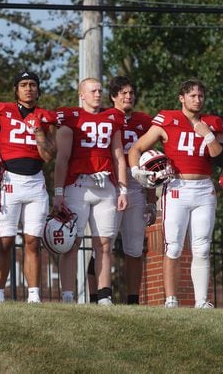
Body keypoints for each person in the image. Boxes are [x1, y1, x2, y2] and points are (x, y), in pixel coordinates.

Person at [128, 79, 223, 309]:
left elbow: (220, 158)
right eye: (192, 95)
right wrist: (135, 171)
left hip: (204, 188)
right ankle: (171, 299)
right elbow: (136, 148)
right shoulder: (167, 119)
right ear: (182, 98)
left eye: (201, 96)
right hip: (177, 188)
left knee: (202, 246)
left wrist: (208, 135)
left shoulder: (212, 122)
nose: (197, 100)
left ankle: (202, 300)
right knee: (173, 246)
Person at [0, 71, 56, 303]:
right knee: (5, 241)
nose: (28, 89)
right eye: (23, 85)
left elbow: (48, 156)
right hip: (9, 182)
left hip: (36, 182)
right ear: (16, 89)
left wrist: (37, 131)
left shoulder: (46, 118)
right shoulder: (3, 112)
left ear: (39, 89)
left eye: (33, 84)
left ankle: (33, 295)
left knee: (32, 242)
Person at [53, 77, 128, 305]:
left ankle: (104, 295)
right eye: (93, 90)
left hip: (105, 186)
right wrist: (58, 192)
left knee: (104, 244)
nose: (98, 94)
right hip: (78, 186)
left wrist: (123, 188)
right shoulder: (71, 118)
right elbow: (62, 159)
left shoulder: (113, 117)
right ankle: (68, 295)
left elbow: (118, 156)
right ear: (81, 95)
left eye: (100, 90)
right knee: (71, 243)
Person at [107, 76, 155, 305]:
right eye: (123, 93)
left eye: (131, 93)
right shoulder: (104, 117)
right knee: (102, 244)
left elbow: (152, 161)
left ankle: (133, 300)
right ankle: (98, 296)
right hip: (109, 185)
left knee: (135, 249)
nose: (128, 97)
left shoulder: (144, 121)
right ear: (113, 96)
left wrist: (151, 199)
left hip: (136, 187)